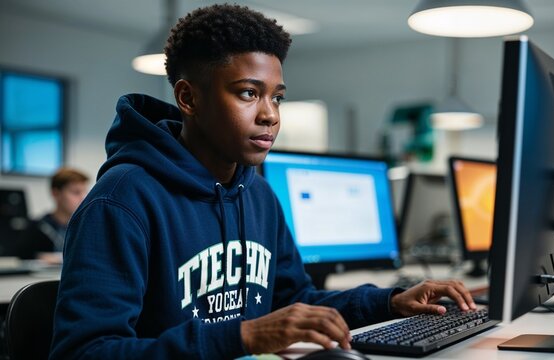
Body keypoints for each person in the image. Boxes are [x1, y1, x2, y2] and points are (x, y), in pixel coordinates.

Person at [49, 4, 476, 359]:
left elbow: (293, 301)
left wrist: (389, 300)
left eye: (277, 96)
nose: (270, 114)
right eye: (248, 93)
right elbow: (84, 352)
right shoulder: (122, 201)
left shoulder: (258, 193)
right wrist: (245, 336)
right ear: (188, 98)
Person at [16, 167, 89, 262]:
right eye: (76, 192)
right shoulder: (37, 228)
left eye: (85, 192)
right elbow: (23, 258)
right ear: (56, 193)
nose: (83, 198)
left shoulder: (86, 227)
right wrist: (39, 258)